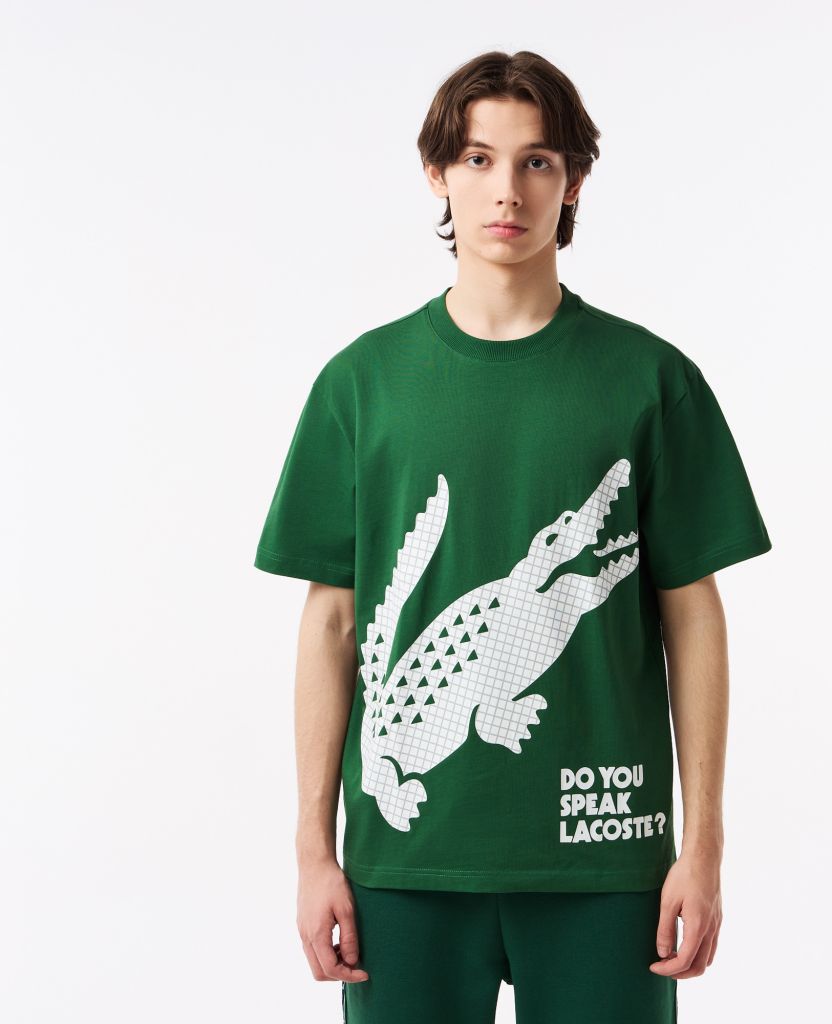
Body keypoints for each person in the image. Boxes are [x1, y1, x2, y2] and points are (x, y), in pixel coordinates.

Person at [253, 49, 772, 1024]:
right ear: (438, 174)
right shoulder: (360, 385)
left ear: (573, 180)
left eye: (537, 161)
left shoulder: (651, 378)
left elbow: (692, 613)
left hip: (605, 851)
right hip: (405, 864)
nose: (507, 190)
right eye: (479, 159)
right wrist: (313, 851)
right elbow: (332, 625)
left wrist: (702, 845)